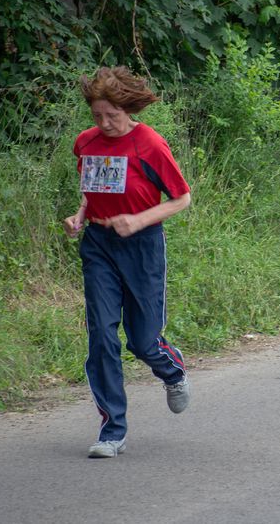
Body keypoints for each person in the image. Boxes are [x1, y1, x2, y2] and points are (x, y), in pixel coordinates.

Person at [62, 66, 192, 458]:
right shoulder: (86, 142)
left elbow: (181, 198)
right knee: (102, 336)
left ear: (128, 109)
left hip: (142, 245)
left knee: (142, 341)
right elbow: (93, 188)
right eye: (97, 116)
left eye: (112, 115)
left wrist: (138, 220)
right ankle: (112, 431)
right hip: (99, 245)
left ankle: (172, 371)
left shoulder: (149, 144)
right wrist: (80, 215)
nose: (104, 123)